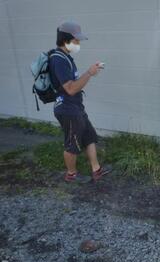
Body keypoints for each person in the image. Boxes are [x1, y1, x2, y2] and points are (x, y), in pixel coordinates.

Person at [49, 22, 111, 182]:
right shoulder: (59, 60)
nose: (78, 44)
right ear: (66, 40)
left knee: (89, 136)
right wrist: (89, 73)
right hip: (67, 109)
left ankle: (96, 170)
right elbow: (70, 89)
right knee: (72, 143)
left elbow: (73, 84)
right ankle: (71, 175)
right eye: (76, 41)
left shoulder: (66, 57)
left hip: (76, 106)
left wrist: (89, 73)